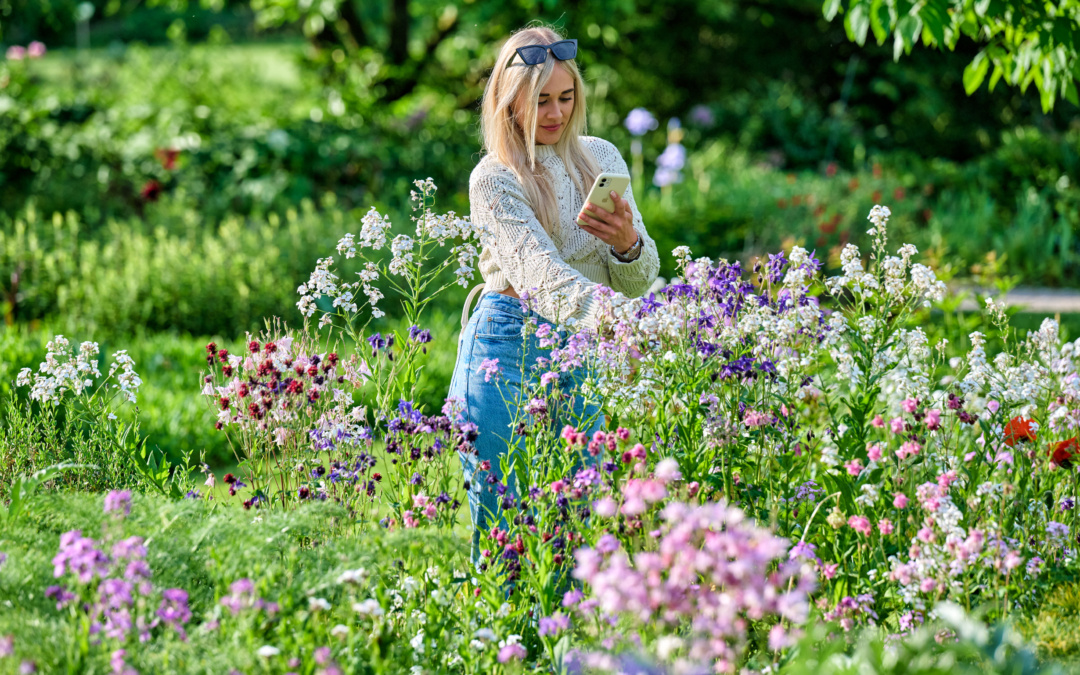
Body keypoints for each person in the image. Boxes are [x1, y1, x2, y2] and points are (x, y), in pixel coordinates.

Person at [448, 25, 660, 560]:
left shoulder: (600, 157)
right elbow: (539, 276)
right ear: (509, 101)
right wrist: (626, 325)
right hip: (506, 349)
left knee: (579, 527)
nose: (556, 113)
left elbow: (637, 280)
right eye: (540, 100)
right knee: (506, 536)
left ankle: (569, 646)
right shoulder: (494, 178)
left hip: (582, 349)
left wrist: (629, 245)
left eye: (566, 98)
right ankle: (506, 644)